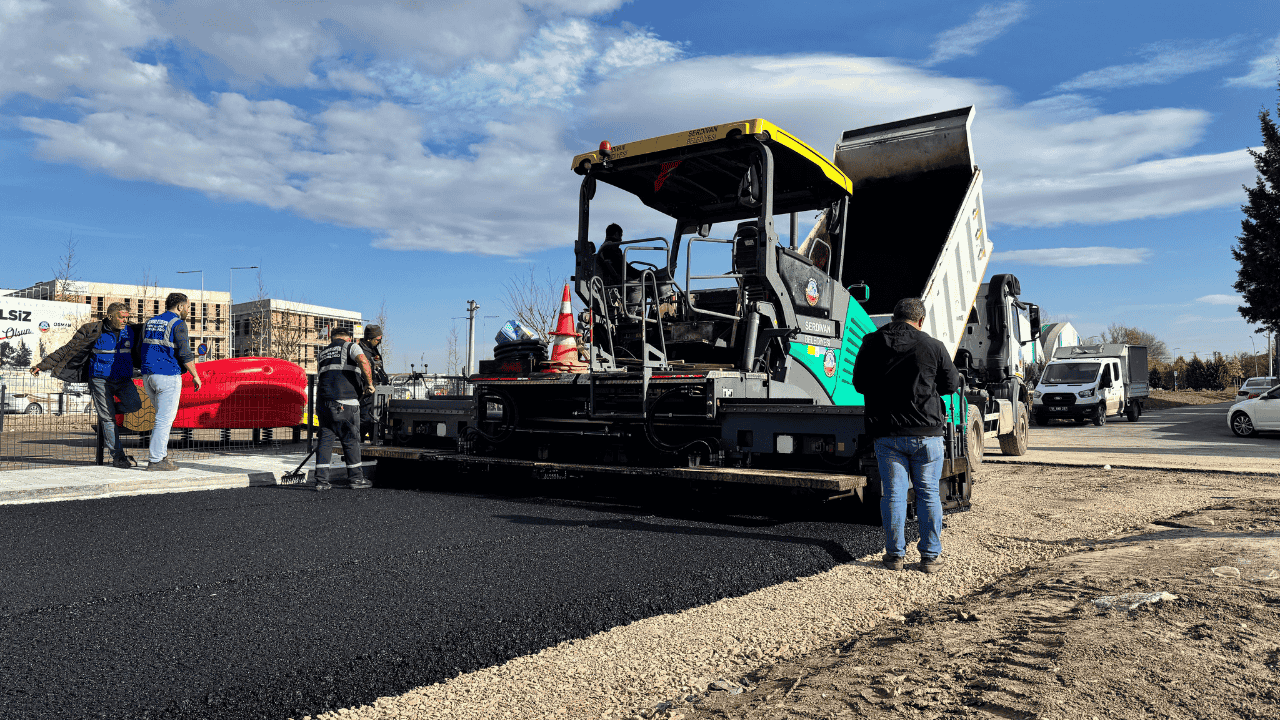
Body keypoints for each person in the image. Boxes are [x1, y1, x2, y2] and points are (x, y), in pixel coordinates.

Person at [852, 297, 961, 574]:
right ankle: (930, 558)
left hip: (887, 433)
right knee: (927, 494)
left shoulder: (870, 342)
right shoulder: (933, 346)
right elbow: (950, 384)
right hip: (927, 433)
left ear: (893, 317)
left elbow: (859, 384)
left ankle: (894, 557)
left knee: (894, 495)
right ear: (921, 320)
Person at [32, 302, 143, 469]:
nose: (124, 320)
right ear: (110, 316)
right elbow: (68, 349)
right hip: (100, 381)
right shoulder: (92, 330)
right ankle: (118, 457)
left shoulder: (132, 331)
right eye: (121, 317)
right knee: (108, 420)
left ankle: (106, 411)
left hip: (124, 380)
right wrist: (43, 365)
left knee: (135, 405)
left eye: (127, 317)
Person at [140, 293, 202, 471]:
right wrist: (195, 375)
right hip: (167, 375)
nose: (188, 311)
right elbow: (185, 353)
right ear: (180, 307)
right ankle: (156, 460)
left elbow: (140, 347)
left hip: (148, 375)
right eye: (188, 307)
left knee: (161, 418)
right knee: (164, 420)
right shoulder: (178, 324)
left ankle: (162, 456)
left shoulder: (150, 322)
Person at [315, 327, 375, 491]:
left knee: (325, 442)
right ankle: (356, 479)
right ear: (348, 337)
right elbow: (363, 361)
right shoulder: (350, 346)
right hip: (346, 402)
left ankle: (321, 481)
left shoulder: (322, 353)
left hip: (323, 404)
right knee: (350, 441)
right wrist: (369, 384)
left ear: (332, 338)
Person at [358, 325, 389, 442]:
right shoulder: (359, 351)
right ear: (368, 338)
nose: (379, 342)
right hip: (366, 393)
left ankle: (373, 444)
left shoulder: (373, 350)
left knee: (375, 420)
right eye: (377, 340)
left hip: (377, 391)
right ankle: (356, 445)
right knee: (365, 419)